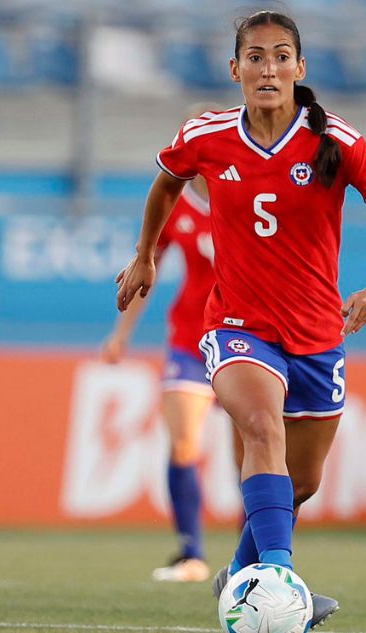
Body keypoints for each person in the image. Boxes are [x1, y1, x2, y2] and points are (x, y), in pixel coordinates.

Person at [115, 10, 366, 628]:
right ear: (236, 70)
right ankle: (282, 585)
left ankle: (242, 575)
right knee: (261, 430)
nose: (268, 68)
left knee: (300, 484)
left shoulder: (335, 140)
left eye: (281, 56)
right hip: (236, 325)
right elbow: (166, 184)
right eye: (255, 56)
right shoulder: (206, 134)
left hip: (318, 335)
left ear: (299, 68)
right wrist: (145, 254)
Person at [100, 134, 217, 582]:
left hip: (247, 336)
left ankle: (257, 559)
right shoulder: (175, 203)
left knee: (254, 450)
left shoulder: (247, 193)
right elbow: (143, 271)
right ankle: (192, 555)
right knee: (185, 442)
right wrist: (120, 335)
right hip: (190, 339)